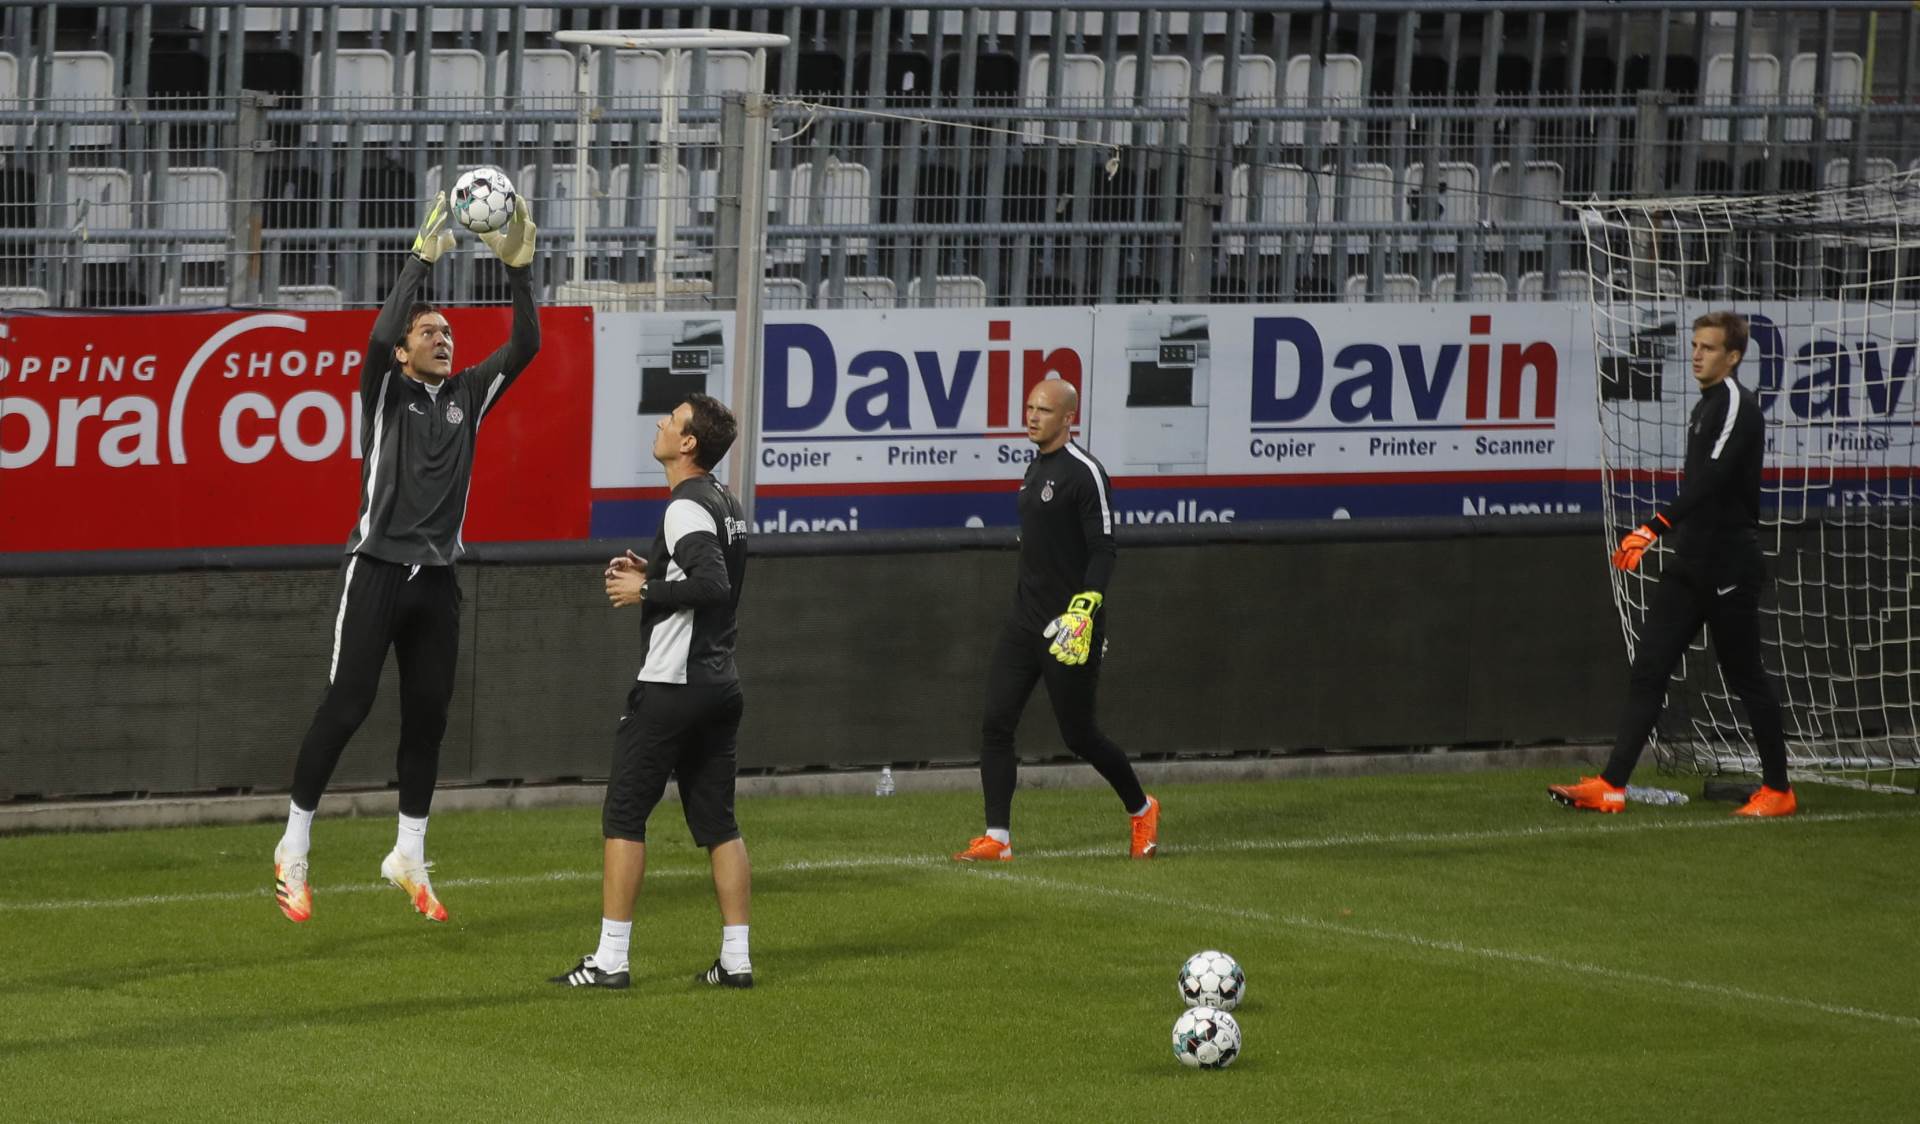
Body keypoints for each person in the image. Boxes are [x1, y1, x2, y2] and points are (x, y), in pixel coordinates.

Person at [272, 191, 541, 923]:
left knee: (428, 719)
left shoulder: (467, 395)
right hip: (378, 570)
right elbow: (377, 337)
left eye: (449, 330)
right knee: (347, 707)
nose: (443, 337)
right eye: (429, 330)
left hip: (439, 580)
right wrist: (419, 264)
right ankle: (293, 848)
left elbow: (527, 348)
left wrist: (521, 273)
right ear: (403, 350)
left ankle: (409, 855)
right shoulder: (384, 389)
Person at [1550, 311, 1796, 817]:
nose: (1697, 354)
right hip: (1692, 562)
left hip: (1729, 565)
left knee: (1744, 673)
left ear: (1733, 357)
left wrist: (1652, 527)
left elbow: (1712, 481)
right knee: (1650, 668)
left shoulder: (1735, 406)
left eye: (1709, 348)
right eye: (1695, 345)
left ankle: (1779, 790)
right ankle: (1611, 784)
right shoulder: (1705, 407)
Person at [551, 394, 753, 990]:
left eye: (673, 419)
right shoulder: (724, 501)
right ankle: (736, 959)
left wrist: (646, 591)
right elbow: (707, 574)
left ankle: (611, 959)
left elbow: (712, 584)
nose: (662, 423)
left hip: (672, 685)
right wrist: (659, 573)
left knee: (623, 817)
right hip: (720, 683)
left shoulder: (685, 505)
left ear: (688, 444)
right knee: (719, 824)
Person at [953, 378, 1161, 862]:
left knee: (1080, 735)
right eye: (1029, 407)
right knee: (995, 723)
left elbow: (1104, 549)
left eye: (1043, 410)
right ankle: (997, 839)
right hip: (1024, 623)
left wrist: (1085, 607)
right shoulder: (1034, 468)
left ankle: (1141, 807)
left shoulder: (1085, 473)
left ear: (1069, 418)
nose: (1031, 416)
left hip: (1070, 627)